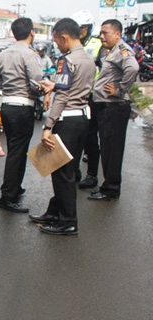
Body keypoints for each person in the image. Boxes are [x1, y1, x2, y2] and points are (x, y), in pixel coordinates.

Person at [32, 18, 96, 236]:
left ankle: (67, 222)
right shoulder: (88, 58)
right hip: (81, 120)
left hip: (66, 121)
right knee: (67, 169)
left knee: (62, 172)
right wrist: (56, 86)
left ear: (63, 36)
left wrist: (47, 125)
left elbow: (63, 96)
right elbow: (76, 87)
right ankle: (56, 212)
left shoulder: (66, 61)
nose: (57, 44)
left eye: (57, 40)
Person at [0, 18, 43, 213]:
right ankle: (7, 197)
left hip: (6, 105)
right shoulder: (30, 54)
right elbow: (36, 82)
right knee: (17, 151)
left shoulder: (3, 54)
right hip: (23, 106)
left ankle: (15, 188)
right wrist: (42, 92)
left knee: (15, 148)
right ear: (31, 33)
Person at [88, 19, 138, 201]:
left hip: (114, 108)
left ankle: (111, 189)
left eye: (105, 33)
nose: (102, 37)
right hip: (106, 108)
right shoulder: (112, 51)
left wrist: (120, 90)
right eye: (100, 33)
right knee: (107, 149)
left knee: (113, 150)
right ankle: (108, 185)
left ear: (117, 34)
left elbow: (133, 68)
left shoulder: (122, 50)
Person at [72, 9, 104, 189]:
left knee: (90, 138)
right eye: (78, 28)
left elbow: (105, 71)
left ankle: (92, 175)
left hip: (93, 96)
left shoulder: (98, 44)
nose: (80, 31)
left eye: (83, 28)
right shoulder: (74, 44)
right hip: (76, 96)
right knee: (75, 137)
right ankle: (74, 171)